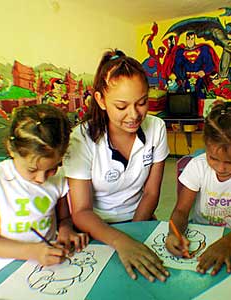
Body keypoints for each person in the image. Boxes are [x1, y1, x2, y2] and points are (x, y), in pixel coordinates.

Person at [62, 49, 170, 282]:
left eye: (142, 103)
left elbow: (151, 192)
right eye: (121, 107)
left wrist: (134, 234)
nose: (134, 115)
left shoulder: (157, 128)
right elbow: (81, 211)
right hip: (96, 229)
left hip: (140, 220)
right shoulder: (81, 139)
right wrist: (120, 240)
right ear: (101, 100)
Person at [0, 104, 89, 282]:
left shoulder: (58, 179)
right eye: (32, 169)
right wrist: (32, 251)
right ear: (11, 149)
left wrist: (66, 231)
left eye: (52, 168)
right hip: (1, 274)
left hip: (44, 268)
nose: (41, 179)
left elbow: (64, 219)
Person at [165, 101, 231, 275]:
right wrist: (174, 234)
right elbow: (181, 211)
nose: (221, 168)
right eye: (213, 158)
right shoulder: (197, 166)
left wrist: (228, 243)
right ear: (206, 145)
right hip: (201, 235)